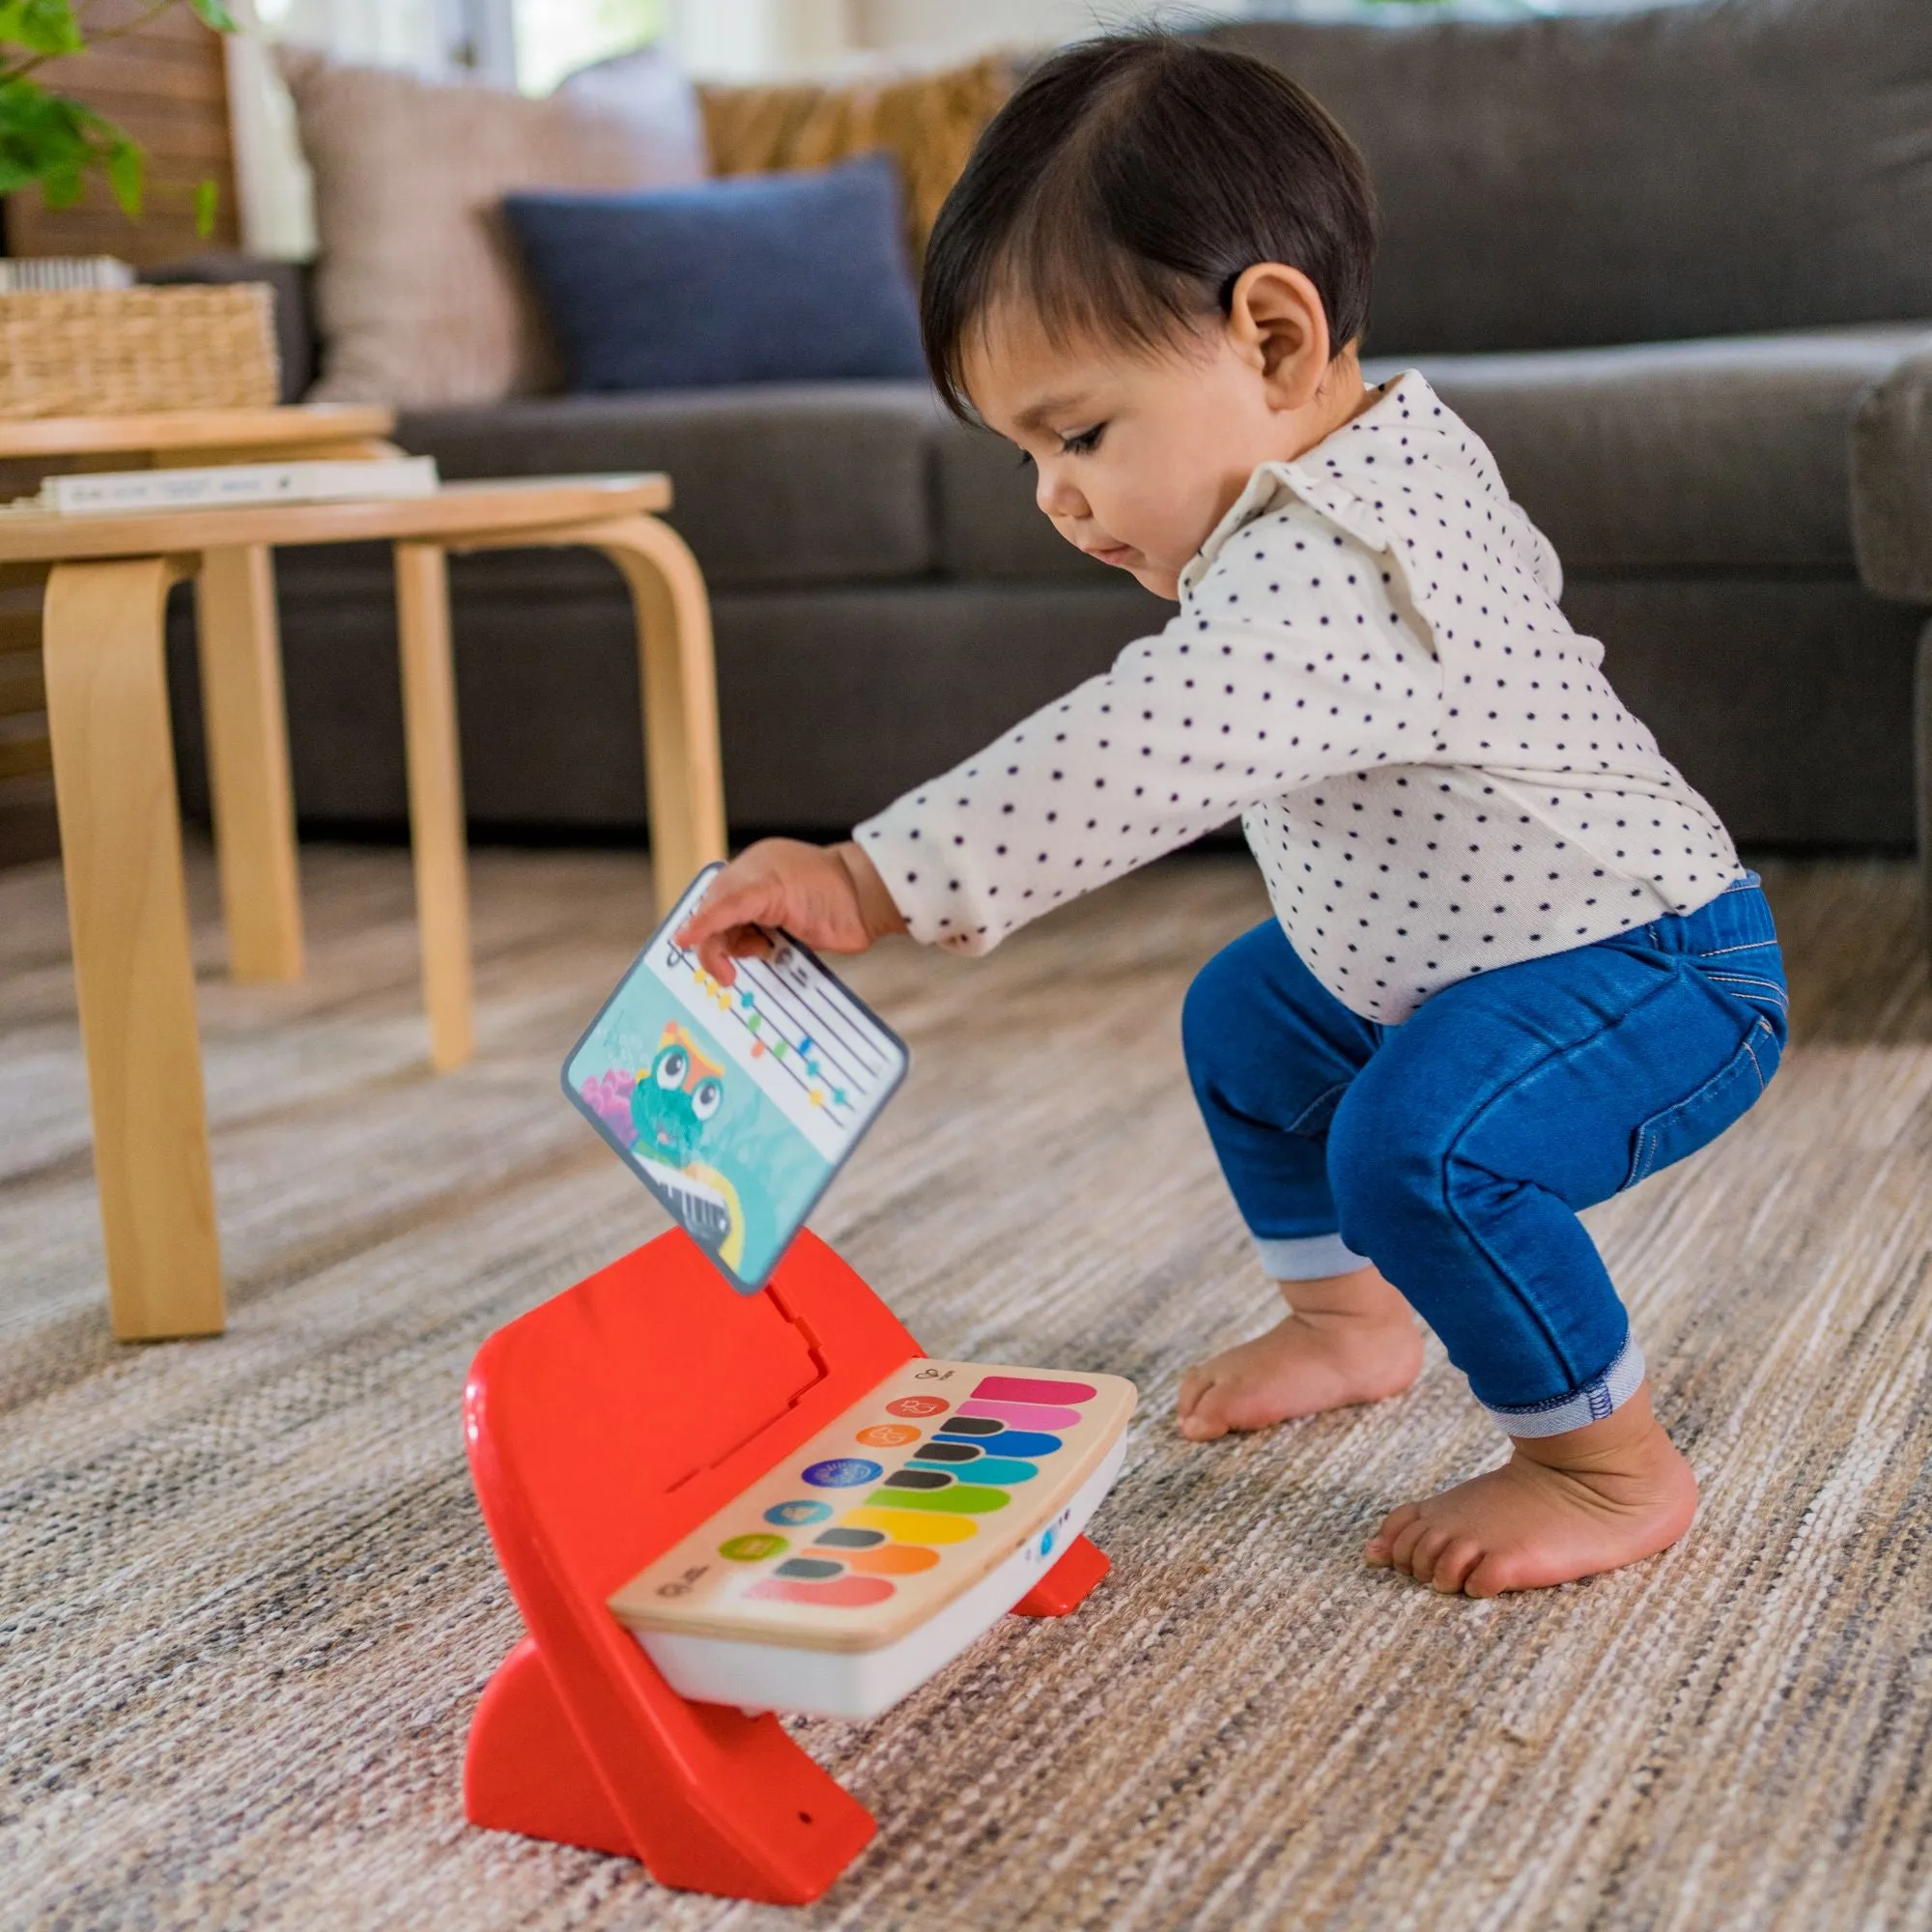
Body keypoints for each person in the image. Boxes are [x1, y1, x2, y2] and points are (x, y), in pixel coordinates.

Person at [677, 34, 1787, 1597]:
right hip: (1468, 952)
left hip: (1656, 971)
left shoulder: (1339, 569)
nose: (1056, 499)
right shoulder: (1362, 459)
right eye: (1024, 458)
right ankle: (1349, 1323)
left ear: (1273, 341)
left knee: (1422, 1149)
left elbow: (1127, 755)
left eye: (1080, 436)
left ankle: (1605, 1467)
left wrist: (871, 877)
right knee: (1252, 1021)